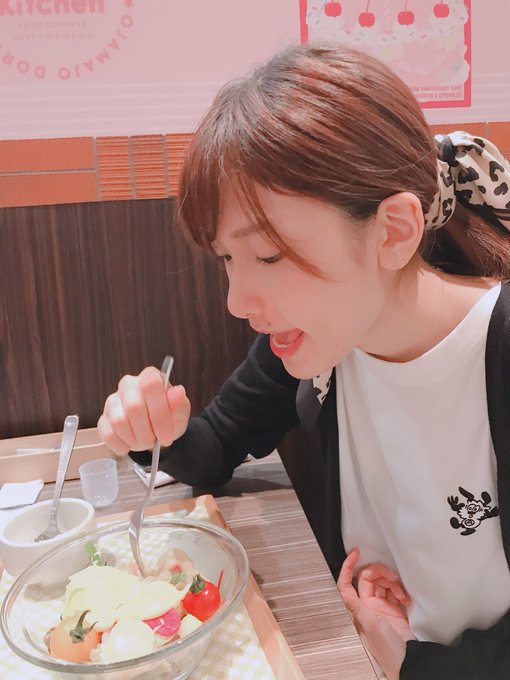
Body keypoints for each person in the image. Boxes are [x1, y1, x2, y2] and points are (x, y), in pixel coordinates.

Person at [98, 43, 510, 679]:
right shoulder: (324, 338)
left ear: (394, 232)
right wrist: (157, 430)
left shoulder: (493, 348)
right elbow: (213, 448)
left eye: (268, 256)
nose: (237, 301)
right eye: (227, 259)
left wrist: (413, 662)